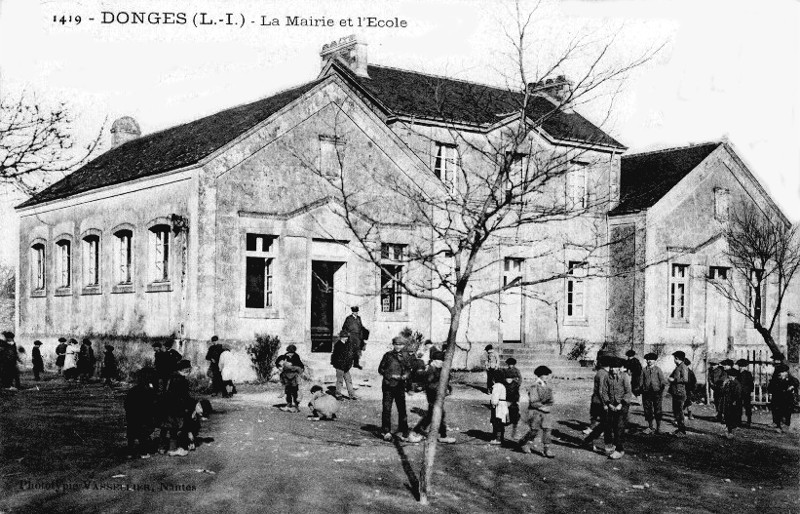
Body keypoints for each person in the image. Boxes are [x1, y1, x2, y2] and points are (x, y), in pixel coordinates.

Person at [378, 336, 422, 443]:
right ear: (393, 345)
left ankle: (403, 430)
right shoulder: (388, 356)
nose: (398, 347)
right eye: (396, 344)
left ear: (404, 346)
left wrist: (404, 376)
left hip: (400, 386)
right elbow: (381, 369)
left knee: (402, 409)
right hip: (388, 386)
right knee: (387, 409)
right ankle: (386, 431)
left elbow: (408, 370)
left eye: (401, 345)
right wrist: (390, 375)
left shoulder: (406, 356)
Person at [415, 349, 456, 443]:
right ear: (435, 361)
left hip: (437, 394)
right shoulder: (431, 369)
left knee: (432, 415)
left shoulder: (438, 369)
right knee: (438, 414)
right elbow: (429, 384)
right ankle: (442, 435)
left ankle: (418, 431)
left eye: (443, 362)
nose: (442, 363)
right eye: (440, 361)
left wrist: (448, 388)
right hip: (432, 394)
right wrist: (440, 388)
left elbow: (445, 379)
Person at [159, 360, 195, 457]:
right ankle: (173, 449)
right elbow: (184, 397)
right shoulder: (181, 380)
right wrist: (189, 406)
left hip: (164, 405)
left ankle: (161, 447)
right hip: (175, 407)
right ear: (186, 369)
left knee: (164, 427)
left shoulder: (169, 377)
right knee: (173, 428)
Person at [518, 365, 555, 458]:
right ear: (540, 376)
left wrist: (548, 406)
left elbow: (551, 399)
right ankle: (524, 442)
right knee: (534, 430)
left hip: (546, 410)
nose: (547, 377)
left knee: (547, 429)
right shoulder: (534, 386)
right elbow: (534, 401)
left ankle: (547, 449)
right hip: (535, 411)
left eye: (548, 375)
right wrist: (542, 407)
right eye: (545, 375)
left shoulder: (547, 386)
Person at [600, 357, 633, 459]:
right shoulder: (607, 377)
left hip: (622, 405)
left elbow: (628, 392)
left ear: (619, 368)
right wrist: (608, 403)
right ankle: (614, 444)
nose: (612, 369)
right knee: (611, 426)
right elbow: (604, 392)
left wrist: (620, 404)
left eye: (615, 367)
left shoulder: (625, 377)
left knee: (619, 427)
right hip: (611, 405)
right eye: (611, 367)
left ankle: (620, 450)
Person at [124, 367, 159, 459]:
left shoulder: (133, 390)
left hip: (132, 416)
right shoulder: (150, 391)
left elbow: (127, 404)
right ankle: (143, 452)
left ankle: (130, 452)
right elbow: (153, 405)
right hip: (144, 417)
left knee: (131, 434)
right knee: (143, 434)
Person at [582, 355, 612, 439]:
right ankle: (594, 431)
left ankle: (593, 429)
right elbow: (601, 390)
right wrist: (605, 402)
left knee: (595, 416)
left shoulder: (600, 372)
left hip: (596, 398)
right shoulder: (604, 374)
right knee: (604, 417)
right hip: (600, 400)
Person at [640, 353, 668, 434]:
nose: (649, 361)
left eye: (651, 359)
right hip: (646, 393)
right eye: (648, 359)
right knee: (648, 410)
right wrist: (641, 389)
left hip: (657, 393)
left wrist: (661, 391)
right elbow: (641, 382)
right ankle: (650, 427)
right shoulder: (644, 370)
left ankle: (658, 428)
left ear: (655, 361)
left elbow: (662, 381)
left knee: (658, 410)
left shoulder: (658, 370)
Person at [769, 364, 798, 433]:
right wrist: (771, 392)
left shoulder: (791, 379)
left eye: (783, 372)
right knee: (778, 412)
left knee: (787, 413)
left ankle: (786, 425)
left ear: (786, 373)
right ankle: (778, 425)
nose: (781, 374)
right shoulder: (775, 380)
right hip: (778, 398)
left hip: (787, 398)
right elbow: (770, 387)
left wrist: (792, 386)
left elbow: (796, 382)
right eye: (779, 373)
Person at [276, 345, 305, 412]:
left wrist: (292, 366)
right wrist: (281, 366)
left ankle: (296, 406)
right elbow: (279, 363)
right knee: (288, 391)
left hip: (294, 377)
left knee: (294, 391)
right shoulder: (284, 356)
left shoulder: (296, 357)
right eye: (289, 352)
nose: (290, 354)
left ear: (294, 352)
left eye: (291, 352)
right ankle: (289, 404)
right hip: (286, 376)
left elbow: (300, 367)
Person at [331, 329, 358, 400]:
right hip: (340, 367)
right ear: (342, 337)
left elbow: (349, 355)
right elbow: (335, 357)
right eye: (346, 337)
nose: (347, 338)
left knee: (349, 380)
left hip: (346, 367)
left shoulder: (347, 345)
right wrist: (338, 365)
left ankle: (352, 395)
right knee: (339, 381)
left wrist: (349, 364)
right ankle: (338, 395)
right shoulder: (338, 345)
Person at [668, 351, 689, 435]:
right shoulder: (678, 366)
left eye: (674, 358)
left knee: (679, 412)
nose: (674, 360)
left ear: (677, 358)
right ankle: (679, 429)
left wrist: (674, 380)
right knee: (676, 412)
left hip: (680, 393)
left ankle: (682, 431)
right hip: (676, 392)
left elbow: (685, 379)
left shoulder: (683, 366)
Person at [342, 306, 369, 370]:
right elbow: (344, 327)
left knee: (357, 351)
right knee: (350, 350)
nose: (356, 313)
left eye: (357, 312)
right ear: (352, 312)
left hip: (358, 337)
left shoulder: (359, 318)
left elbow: (361, 326)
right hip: (351, 336)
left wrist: (365, 332)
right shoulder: (348, 319)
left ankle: (356, 364)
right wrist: (347, 334)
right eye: (355, 312)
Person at [720, 367, 742, 439]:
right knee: (727, 417)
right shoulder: (728, 383)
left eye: (730, 375)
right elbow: (723, 392)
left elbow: (737, 394)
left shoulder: (737, 384)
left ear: (734, 376)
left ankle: (731, 433)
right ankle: (728, 431)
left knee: (732, 418)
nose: (728, 376)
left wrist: (734, 401)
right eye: (728, 375)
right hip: (727, 402)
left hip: (733, 403)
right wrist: (723, 385)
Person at [489, 370, 509, 445]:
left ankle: (497, 439)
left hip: (498, 406)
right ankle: (501, 437)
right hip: (503, 405)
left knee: (497, 422)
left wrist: (493, 403)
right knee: (501, 422)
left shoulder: (497, 386)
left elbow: (495, 398)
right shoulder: (502, 385)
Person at [504, 358, 522, 438]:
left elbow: (520, 379)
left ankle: (514, 433)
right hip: (507, 395)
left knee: (515, 417)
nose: (510, 366)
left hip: (514, 395)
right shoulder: (505, 371)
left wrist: (517, 384)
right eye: (509, 364)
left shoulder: (516, 371)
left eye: (512, 364)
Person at [735, 359, 754, 426]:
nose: (741, 368)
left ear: (745, 367)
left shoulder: (748, 374)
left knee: (747, 406)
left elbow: (751, 384)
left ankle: (749, 420)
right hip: (738, 392)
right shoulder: (737, 374)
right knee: (738, 406)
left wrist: (751, 391)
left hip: (746, 392)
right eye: (739, 366)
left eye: (742, 366)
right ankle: (738, 420)